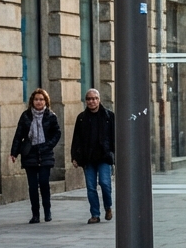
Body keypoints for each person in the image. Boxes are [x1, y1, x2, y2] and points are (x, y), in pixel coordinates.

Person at [9, 88, 62, 224]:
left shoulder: (51, 116)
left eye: (41, 99)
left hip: (45, 154)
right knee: (32, 186)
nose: (39, 102)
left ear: (46, 101)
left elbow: (57, 133)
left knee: (44, 182)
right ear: (32, 101)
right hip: (30, 154)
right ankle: (35, 214)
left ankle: (47, 211)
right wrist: (14, 152)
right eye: (36, 99)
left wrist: (48, 145)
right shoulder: (26, 116)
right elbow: (18, 134)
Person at [70, 89, 115, 223]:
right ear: (86, 101)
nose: (92, 101)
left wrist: (114, 154)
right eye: (89, 99)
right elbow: (76, 139)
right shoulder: (82, 118)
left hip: (104, 157)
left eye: (94, 98)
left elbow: (114, 137)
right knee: (91, 187)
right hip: (88, 158)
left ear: (99, 100)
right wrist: (74, 156)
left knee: (105, 183)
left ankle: (108, 206)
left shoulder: (109, 116)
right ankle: (95, 214)